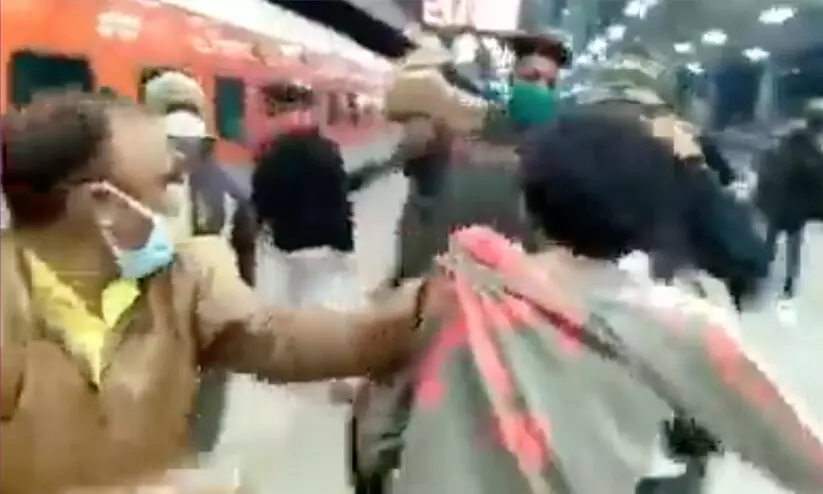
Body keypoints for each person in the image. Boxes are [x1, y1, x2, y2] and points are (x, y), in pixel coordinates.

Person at [0, 93, 427, 493]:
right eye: (167, 184)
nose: (184, 201)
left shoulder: (186, 278)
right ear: (103, 206)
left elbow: (284, 340)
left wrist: (418, 310)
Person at [251, 81, 363, 310]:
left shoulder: (275, 152)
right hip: (336, 241)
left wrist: (257, 225)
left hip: (296, 246)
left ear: (274, 109)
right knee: (332, 304)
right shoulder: (327, 147)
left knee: (300, 306)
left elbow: (263, 202)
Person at [754, 99, 823, 324]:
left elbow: (766, 163)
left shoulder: (787, 138)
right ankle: (787, 282)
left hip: (777, 202)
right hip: (791, 204)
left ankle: (763, 273)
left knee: (772, 240)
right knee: (791, 244)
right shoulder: (808, 147)